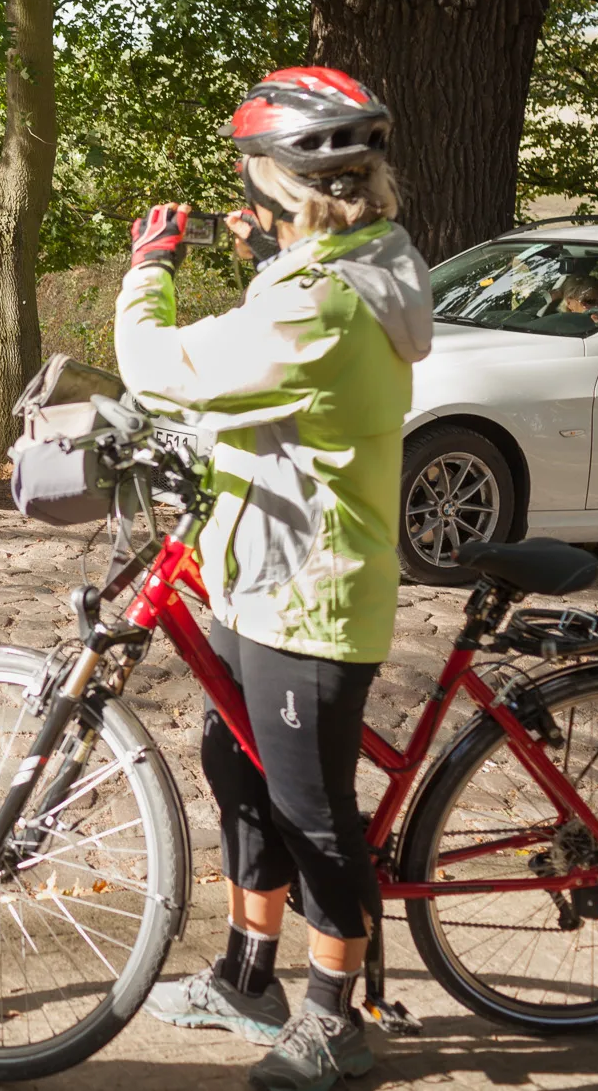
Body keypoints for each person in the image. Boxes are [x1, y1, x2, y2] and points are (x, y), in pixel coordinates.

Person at [117, 67, 432, 1091]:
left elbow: (163, 366)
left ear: (293, 186)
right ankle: (247, 976)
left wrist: (148, 268)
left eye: (253, 183)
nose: (243, 201)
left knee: (310, 809)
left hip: (311, 590)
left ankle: (335, 1021)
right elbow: (280, 346)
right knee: (238, 772)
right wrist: (270, 254)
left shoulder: (325, 305)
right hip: (262, 571)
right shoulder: (329, 270)